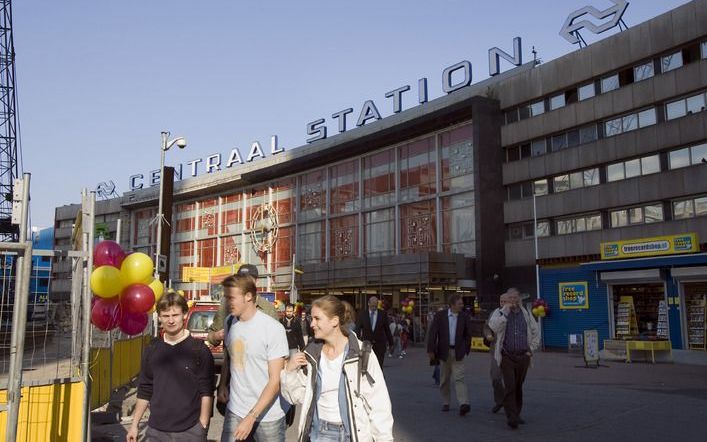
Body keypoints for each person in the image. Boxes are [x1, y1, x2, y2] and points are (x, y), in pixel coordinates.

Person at [281, 295, 394, 441]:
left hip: (353, 433)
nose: (311, 324)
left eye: (317, 319)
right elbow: (295, 397)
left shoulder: (361, 354)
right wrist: (289, 372)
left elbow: (379, 403)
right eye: (312, 318)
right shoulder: (312, 354)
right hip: (320, 433)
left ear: (334, 321)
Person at [127, 292, 215, 442]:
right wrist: (134, 425)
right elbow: (145, 389)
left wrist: (203, 425)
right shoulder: (152, 350)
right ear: (160, 318)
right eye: (166, 316)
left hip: (190, 431)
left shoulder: (199, 350)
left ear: (185, 315)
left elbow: (206, 391)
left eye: (175, 315)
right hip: (156, 431)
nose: (171, 320)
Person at [219, 275, 289, 441]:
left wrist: (251, 417)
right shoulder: (230, 322)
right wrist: (222, 385)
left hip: (268, 417)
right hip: (235, 410)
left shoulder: (272, 329)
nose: (227, 302)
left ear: (249, 296)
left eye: (231, 298)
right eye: (226, 297)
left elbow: (275, 381)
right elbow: (229, 357)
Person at [488, 288, 540, 430]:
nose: (513, 300)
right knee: (510, 386)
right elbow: (493, 326)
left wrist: (531, 349)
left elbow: (536, 332)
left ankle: (517, 413)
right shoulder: (500, 313)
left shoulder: (526, 313)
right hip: (507, 356)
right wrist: (505, 312)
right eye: (510, 298)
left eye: (515, 297)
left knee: (518, 386)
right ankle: (511, 417)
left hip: (523, 356)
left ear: (519, 298)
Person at [427, 293, 472, 416]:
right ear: (452, 305)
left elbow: (468, 335)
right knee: (444, 379)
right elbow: (433, 333)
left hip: (458, 352)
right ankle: (446, 402)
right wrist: (430, 349)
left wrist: (466, 349)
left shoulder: (464, 316)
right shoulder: (440, 316)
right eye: (459, 303)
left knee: (459, 378)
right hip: (444, 352)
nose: (462, 305)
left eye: (462, 303)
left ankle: (464, 403)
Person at [484, 293, 510, 414]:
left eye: (505, 301)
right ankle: (500, 401)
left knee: (510, 380)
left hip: (510, 351)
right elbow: (487, 326)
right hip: (496, 350)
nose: (503, 304)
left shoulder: (514, 314)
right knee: (495, 377)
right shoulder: (495, 313)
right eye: (501, 301)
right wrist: (488, 334)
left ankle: (511, 405)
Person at [355, 296, 394, 367]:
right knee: (367, 366)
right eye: (372, 306)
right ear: (368, 304)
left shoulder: (383, 314)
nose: (374, 308)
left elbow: (387, 330)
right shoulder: (362, 315)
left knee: (379, 366)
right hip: (366, 345)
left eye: (375, 306)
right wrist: (356, 343)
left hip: (380, 346)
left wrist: (391, 343)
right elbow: (357, 330)